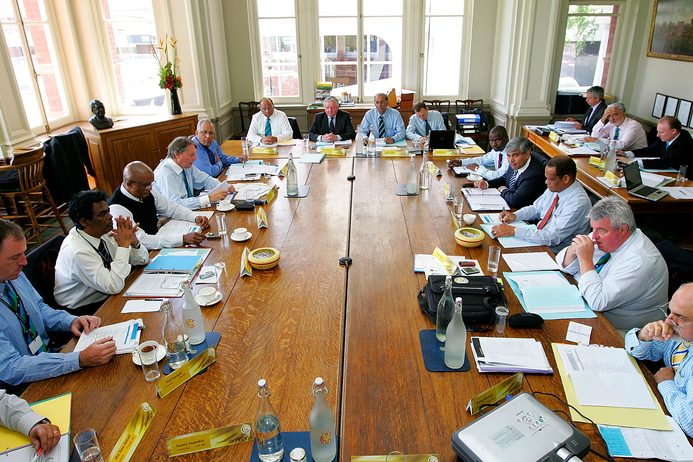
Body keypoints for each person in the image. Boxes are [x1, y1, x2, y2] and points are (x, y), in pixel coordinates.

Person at [0, 219, 115, 389]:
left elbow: (39, 308)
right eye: (15, 257)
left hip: (50, 357)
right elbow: (11, 369)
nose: (24, 262)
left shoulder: (13, 275)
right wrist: (78, 359)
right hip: (23, 386)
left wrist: (70, 321)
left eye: (24, 253)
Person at [556, 197, 668, 330]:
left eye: (601, 230)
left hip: (623, 331)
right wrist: (573, 251)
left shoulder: (640, 261)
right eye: (593, 228)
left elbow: (597, 301)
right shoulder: (609, 236)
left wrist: (585, 260)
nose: (594, 235)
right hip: (589, 309)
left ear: (623, 229)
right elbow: (561, 263)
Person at [54, 190, 149, 315]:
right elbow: (113, 286)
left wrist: (133, 241)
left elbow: (142, 259)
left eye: (108, 211)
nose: (110, 217)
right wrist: (124, 245)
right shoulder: (77, 251)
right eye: (102, 214)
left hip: (109, 293)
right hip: (84, 309)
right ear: (84, 221)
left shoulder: (102, 232)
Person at [625, 283, 693, 437]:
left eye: (680, 318)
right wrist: (644, 336)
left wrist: (666, 383)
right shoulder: (680, 333)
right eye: (670, 311)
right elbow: (643, 352)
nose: (669, 321)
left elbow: (690, 422)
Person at [491, 155, 591, 253]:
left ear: (565, 179)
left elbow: (552, 237)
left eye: (550, 179)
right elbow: (536, 209)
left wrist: (514, 231)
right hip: (539, 239)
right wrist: (515, 215)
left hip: (554, 252)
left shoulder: (577, 203)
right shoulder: (557, 187)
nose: (546, 182)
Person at [108, 161, 209, 249]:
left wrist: (195, 217)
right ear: (130, 184)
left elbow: (171, 208)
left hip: (161, 241)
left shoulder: (146, 191)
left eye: (151, 183)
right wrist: (182, 239)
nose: (150, 188)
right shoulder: (117, 208)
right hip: (143, 254)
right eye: (146, 185)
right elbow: (142, 240)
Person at [153, 137, 235, 210]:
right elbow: (175, 204)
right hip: (169, 218)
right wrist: (208, 198)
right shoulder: (165, 173)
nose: (195, 158)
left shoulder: (186, 165)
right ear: (177, 154)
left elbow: (205, 180)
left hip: (188, 209)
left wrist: (224, 187)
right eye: (191, 155)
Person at [472, 136, 546, 209]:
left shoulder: (534, 175)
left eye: (515, 155)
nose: (511, 160)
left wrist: (503, 190)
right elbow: (505, 178)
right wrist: (487, 184)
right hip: (508, 205)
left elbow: (515, 200)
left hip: (521, 213)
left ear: (527, 153)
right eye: (508, 155)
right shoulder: (517, 163)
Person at [619, 116, 693, 178]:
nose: (658, 135)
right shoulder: (667, 137)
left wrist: (631, 161)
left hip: (684, 179)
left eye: (661, 132)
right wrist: (626, 154)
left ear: (673, 131)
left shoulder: (683, 142)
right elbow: (650, 150)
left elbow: (665, 162)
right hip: (669, 174)